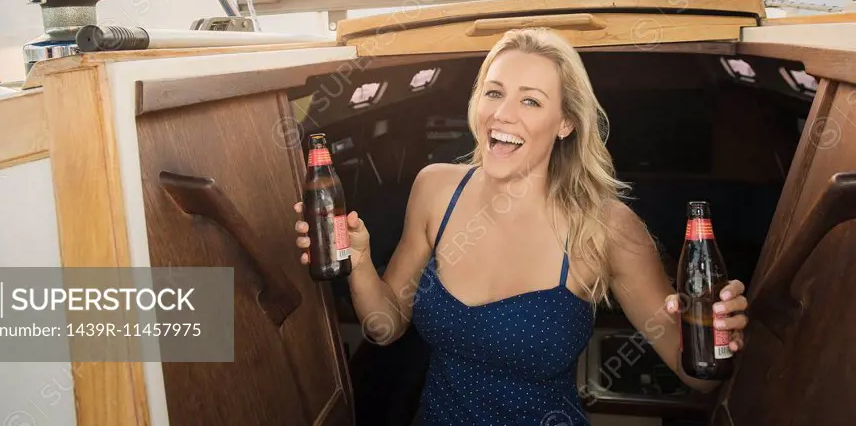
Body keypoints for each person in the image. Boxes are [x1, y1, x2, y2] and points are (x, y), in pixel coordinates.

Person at [294, 28, 749, 425]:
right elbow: (384, 327)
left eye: (530, 100)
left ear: (566, 123)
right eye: (494, 92)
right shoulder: (435, 189)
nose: (502, 114)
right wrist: (357, 261)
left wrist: (720, 333)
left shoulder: (608, 227)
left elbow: (697, 375)